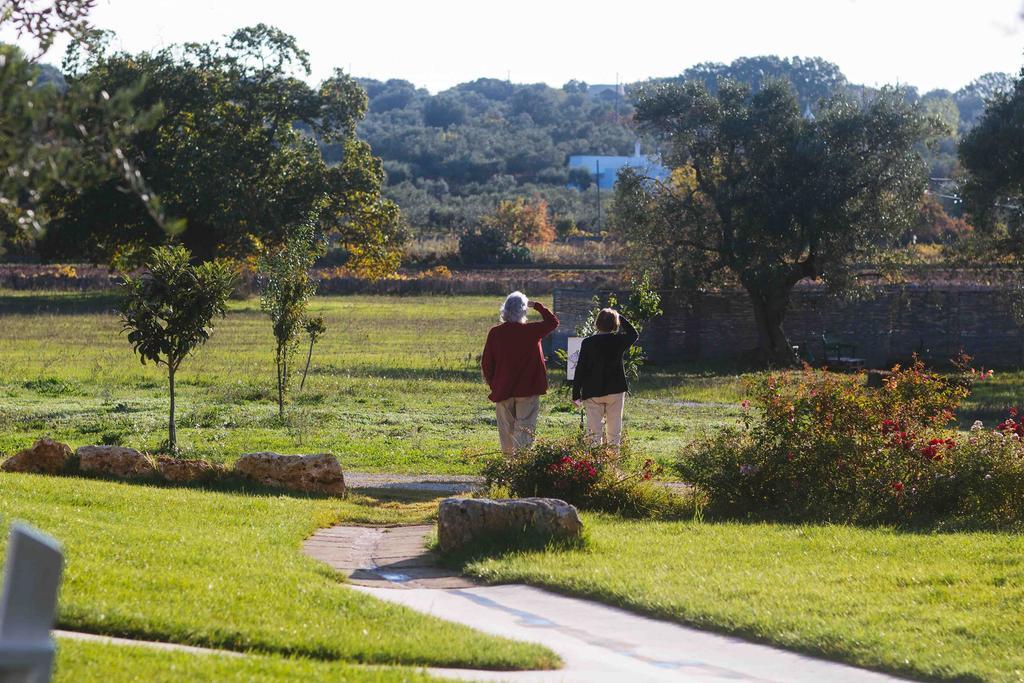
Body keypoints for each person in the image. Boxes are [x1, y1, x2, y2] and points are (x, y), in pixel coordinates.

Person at [481, 291, 559, 454]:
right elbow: (553, 322)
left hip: (503, 389)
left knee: (506, 430)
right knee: (524, 428)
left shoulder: (495, 333)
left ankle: (509, 464)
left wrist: (493, 384)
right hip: (528, 389)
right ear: (523, 311)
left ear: (504, 311)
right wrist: (537, 306)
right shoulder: (532, 331)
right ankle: (521, 462)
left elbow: (487, 363)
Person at [571, 308, 639, 452]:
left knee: (594, 433)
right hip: (615, 390)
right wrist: (620, 317)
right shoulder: (618, 340)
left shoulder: (588, 343)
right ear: (615, 324)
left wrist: (576, 393)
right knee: (614, 432)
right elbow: (634, 334)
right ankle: (613, 466)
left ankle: (596, 466)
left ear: (597, 323)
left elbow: (580, 368)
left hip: (592, 390)